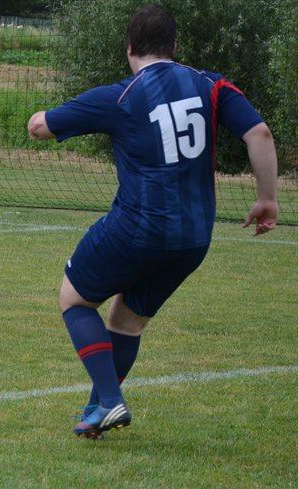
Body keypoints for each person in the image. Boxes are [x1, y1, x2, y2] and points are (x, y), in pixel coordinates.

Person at [27, 4, 279, 438]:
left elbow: (39, 128)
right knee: (126, 321)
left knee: (75, 300)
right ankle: (98, 410)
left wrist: (38, 118)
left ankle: (110, 400)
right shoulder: (211, 84)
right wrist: (267, 199)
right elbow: (259, 133)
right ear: (174, 46)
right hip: (193, 237)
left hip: (138, 228)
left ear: (129, 48)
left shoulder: (120, 96)